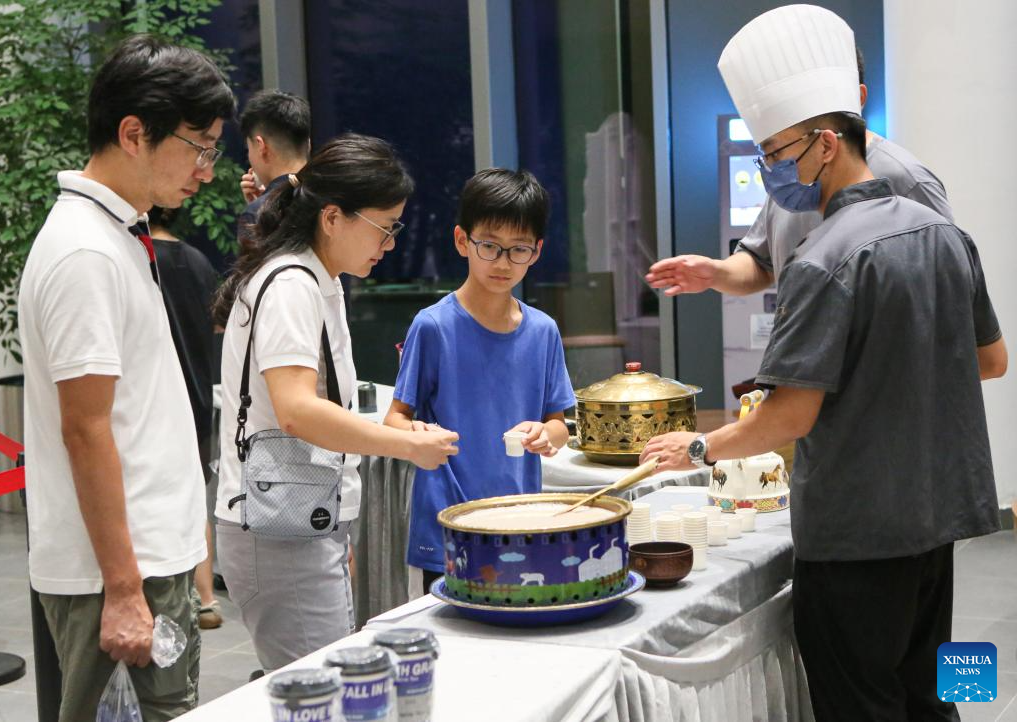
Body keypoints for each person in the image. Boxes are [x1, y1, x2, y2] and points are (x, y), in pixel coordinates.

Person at [638, 6, 1007, 721]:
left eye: (776, 152)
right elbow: (991, 359)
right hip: (935, 523)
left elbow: (791, 415)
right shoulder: (946, 235)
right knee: (938, 694)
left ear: (826, 143)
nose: (769, 170)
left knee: (861, 704)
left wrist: (697, 447)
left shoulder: (824, 258)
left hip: (857, 530)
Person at [18, 35, 235, 721]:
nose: (206, 172)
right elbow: (85, 429)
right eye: (199, 147)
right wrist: (121, 589)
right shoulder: (84, 251)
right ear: (135, 133)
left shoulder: (118, 234)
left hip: (146, 561)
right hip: (118, 574)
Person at [212, 133, 460, 671]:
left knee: (324, 686)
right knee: (325, 692)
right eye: (385, 226)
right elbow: (297, 411)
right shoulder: (292, 285)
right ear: (332, 217)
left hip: (298, 515)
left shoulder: (315, 278)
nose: (389, 243)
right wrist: (401, 445)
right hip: (278, 527)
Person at [384, 168, 576, 595]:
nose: (503, 263)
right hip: (447, 525)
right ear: (462, 241)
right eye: (489, 246)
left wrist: (546, 435)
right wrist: (418, 434)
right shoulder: (432, 326)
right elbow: (395, 419)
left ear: (537, 251)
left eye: (518, 249)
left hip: (519, 519)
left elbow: (559, 424)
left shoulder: (543, 331)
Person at [645, 47, 953, 298]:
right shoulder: (791, 174)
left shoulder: (907, 181)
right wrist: (717, 273)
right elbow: (762, 263)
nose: (777, 161)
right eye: (771, 152)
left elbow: (954, 306)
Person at [148, 205, 223, 630]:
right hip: (198, 394)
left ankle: (167, 597)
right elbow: (217, 324)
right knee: (195, 499)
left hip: (156, 400)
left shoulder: (137, 255)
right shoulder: (197, 261)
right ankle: (207, 599)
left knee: (155, 500)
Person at [236, 89, 311, 249]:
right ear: (308, 145)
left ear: (261, 146)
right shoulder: (332, 197)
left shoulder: (257, 215)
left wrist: (261, 207)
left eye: (249, 149)